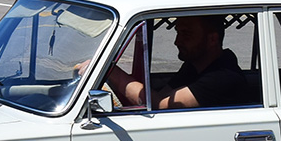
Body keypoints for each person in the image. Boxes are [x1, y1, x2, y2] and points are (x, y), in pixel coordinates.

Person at [103, 16, 247, 109]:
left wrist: (110, 71)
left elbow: (159, 105)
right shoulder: (194, 66)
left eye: (186, 34)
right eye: (178, 33)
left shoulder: (223, 78)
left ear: (212, 40)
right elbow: (164, 95)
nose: (177, 42)